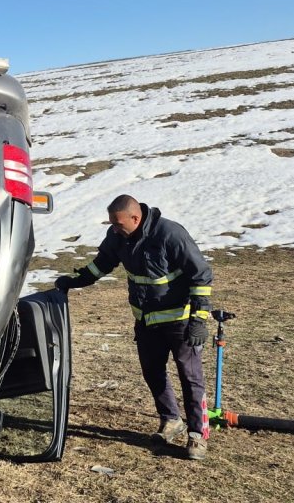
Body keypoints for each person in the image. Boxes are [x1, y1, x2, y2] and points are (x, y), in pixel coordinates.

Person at [55, 195, 213, 460]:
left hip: (179, 321)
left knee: (190, 376)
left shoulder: (170, 234)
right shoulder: (118, 235)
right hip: (146, 321)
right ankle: (171, 419)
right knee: (152, 372)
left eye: (118, 224)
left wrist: (199, 320)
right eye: (112, 224)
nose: (114, 229)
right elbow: (103, 261)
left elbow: (201, 274)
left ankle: (197, 435)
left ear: (135, 218)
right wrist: (79, 279)